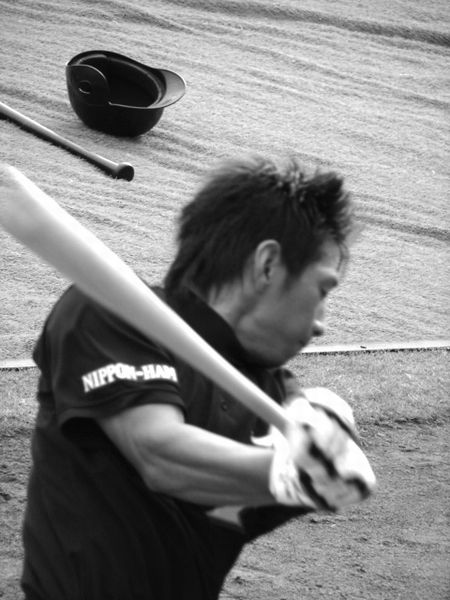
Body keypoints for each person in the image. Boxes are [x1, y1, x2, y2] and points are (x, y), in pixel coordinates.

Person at [20, 156, 374, 600]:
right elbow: (159, 454)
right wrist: (290, 472)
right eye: (322, 290)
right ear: (268, 265)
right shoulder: (111, 312)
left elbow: (240, 500)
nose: (321, 323)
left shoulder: (276, 395)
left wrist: (332, 451)